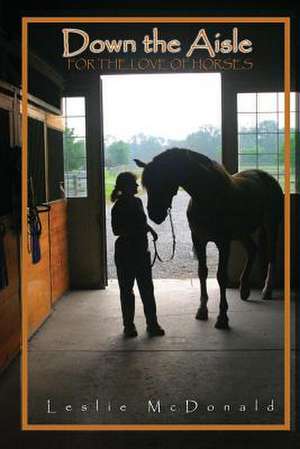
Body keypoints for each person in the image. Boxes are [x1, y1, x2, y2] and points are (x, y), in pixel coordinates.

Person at [111, 172, 165, 338]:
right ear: (126, 186)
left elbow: (142, 221)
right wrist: (138, 231)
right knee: (127, 291)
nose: (136, 186)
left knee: (147, 289)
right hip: (126, 252)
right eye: (133, 184)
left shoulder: (138, 202)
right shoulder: (118, 207)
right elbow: (116, 230)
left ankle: (152, 323)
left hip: (141, 251)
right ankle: (129, 326)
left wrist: (150, 229)